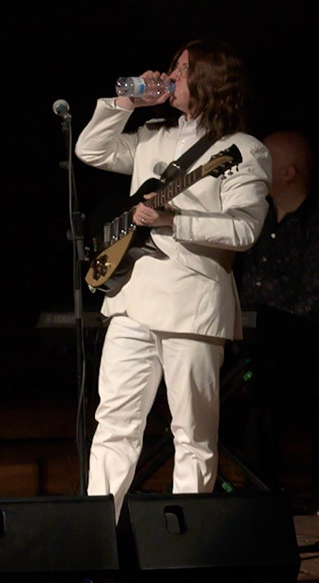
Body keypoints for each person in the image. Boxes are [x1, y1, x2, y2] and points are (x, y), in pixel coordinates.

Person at [75, 40, 271, 518]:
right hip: (131, 297)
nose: (171, 76)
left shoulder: (243, 150)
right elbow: (90, 149)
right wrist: (129, 103)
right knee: (115, 421)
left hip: (194, 304)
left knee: (193, 433)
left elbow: (244, 228)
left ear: (209, 81)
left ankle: (186, 545)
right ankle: (100, 532)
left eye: (182, 70)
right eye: (172, 68)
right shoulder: (152, 136)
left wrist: (174, 222)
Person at [235, 129, 318, 501]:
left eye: (266, 160)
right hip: (247, 341)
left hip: (300, 343)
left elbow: (311, 299)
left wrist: (274, 322)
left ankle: (267, 492)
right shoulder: (257, 216)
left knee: (269, 385)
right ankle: (247, 490)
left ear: (289, 172)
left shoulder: (313, 222)